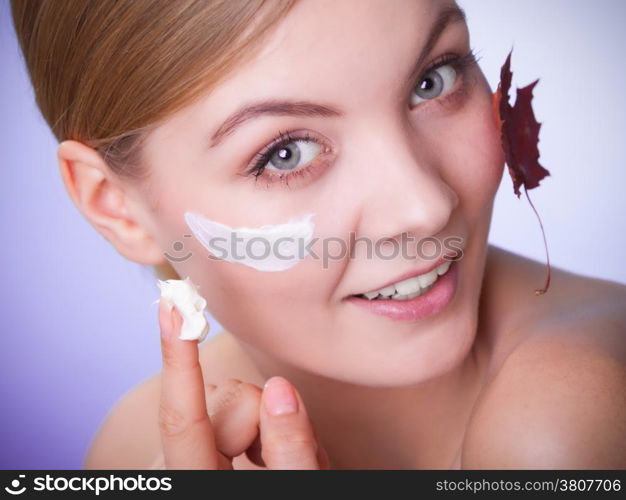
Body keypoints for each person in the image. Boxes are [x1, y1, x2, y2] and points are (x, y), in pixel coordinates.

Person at [11, 0, 625, 469]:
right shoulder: (141, 446)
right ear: (116, 206)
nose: (424, 206)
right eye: (286, 152)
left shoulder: (561, 426)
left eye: (431, 80)